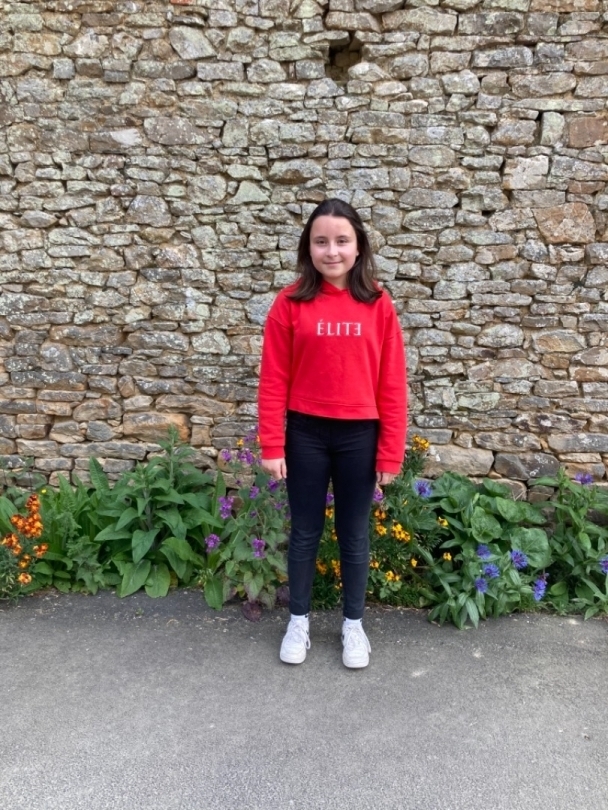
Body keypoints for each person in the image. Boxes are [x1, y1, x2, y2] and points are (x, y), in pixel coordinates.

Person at [258, 198, 407, 669]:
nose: (332, 251)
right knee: (304, 532)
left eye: (342, 241)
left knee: (353, 535)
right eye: (321, 241)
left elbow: (392, 383)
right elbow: (273, 378)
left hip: (359, 436)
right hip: (306, 433)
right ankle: (298, 620)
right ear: (309, 247)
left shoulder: (378, 304)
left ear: (359, 246)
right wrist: (272, 443)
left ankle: (353, 625)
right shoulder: (289, 303)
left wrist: (390, 453)